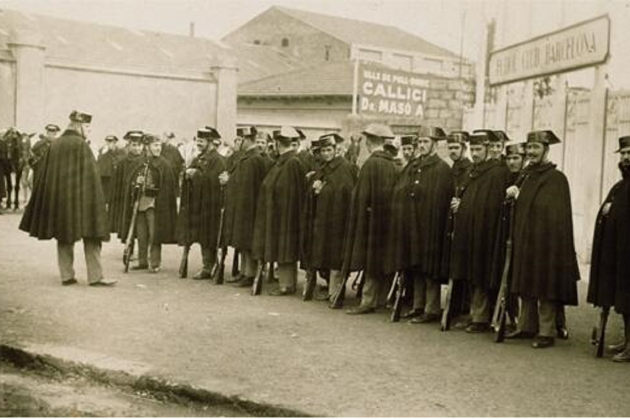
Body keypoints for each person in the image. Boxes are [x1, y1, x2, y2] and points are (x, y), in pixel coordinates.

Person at [19, 110, 114, 286]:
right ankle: (96, 277)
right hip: (83, 200)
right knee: (92, 235)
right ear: (78, 126)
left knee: (64, 234)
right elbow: (91, 177)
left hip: (62, 202)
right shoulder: (82, 146)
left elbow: (45, 174)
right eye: (87, 126)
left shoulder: (55, 145)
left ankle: (66, 276)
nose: (89, 130)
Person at [507, 130, 580, 349]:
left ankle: (546, 331)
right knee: (525, 282)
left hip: (547, 242)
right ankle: (526, 326)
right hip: (525, 239)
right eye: (529, 148)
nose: (531, 152)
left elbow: (553, 211)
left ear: (546, 150)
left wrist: (523, 198)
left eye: (536, 148)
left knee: (545, 284)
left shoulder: (556, 178)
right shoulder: (526, 175)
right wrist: (513, 195)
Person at [386, 126, 454, 323]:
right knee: (415, 267)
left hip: (431, 226)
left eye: (426, 142)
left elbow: (441, 200)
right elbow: (401, 189)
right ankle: (417, 305)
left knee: (429, 269)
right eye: (420, 142)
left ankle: (431, 309)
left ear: (434, 144)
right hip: (412, 224)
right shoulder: (414, 165)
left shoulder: (442, 169)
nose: (422, 146)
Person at [449, 130, 508, 332]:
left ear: (487, 149)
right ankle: (474, 313)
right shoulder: (474, 171)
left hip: (485, 232)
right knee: (471, 273)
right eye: (472, 149)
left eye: (478, 149)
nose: (474, 153)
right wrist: (460, 204)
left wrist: (465, 207)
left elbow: (490, 205)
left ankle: (481, 317)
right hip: (469, 230)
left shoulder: (496, 172)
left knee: (481, 274)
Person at [342, 124, 398, 314]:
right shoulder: (391, 163)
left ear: (369, 141)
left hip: (370, 220)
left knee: (369, 259)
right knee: (381, 259)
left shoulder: (371, 164)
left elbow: (361, 194)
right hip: (387, 221)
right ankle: (381, 299)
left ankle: (367, 301)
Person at [588, 135, 630, 362]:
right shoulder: (620, 186)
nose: (625, 158)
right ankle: (628, 341)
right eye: (623, 154)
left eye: (629, 154)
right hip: (620, 253)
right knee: (624, 300)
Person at [301, 133, 356, 302]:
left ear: (335, 150)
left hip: (337, 222)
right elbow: (315, 190)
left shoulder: (344, 168)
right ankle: (329, 288)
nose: (325, 153)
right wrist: (314, 189)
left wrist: (322, 191)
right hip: (322, 221)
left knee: (334, 256)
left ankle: (335, 292)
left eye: (328, 150)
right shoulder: (322, 168)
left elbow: (344, 193)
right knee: (323, 254)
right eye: (323, 150)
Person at [252, 126, 306, 295]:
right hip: (280, 213)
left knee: (286, 248)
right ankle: (286, 283)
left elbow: (291, 193)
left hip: (285, 215)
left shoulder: (291, 163)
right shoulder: (285, 161)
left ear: (278, 143)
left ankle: (287, 284)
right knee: (283, 248)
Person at [221, 126, 270, 287]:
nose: (238, 142)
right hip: (243, 206)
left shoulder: (253, 159)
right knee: (242, 242)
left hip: (249, 208)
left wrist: (229, 181)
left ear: (247, 140)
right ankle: (244, 272)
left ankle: (250, 274)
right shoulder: (247, 158)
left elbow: (248, 186)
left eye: (240, 139)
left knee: (247, 242)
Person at [122, 134, 178, 273]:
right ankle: (142, 262)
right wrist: (136, 182)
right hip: (140, 203)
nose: (158, 148)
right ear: (147, 147)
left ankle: (154, 262)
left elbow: (169, 186)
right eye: (155, 145)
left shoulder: (164, 164)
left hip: (155, 205)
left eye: (159, 145)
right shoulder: (139, 162)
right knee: (141, 234)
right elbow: (130, 181)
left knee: (154, 234)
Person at [177, 127, 226, 280]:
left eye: (202, 141)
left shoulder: (217, 160)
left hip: (210, 206)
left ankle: (209, 267)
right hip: (198, 205)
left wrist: (196, 175)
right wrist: (187, 174)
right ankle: (207, 265)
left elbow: (213, 181)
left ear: (210, 142)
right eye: (198, 140)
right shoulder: (199, 157)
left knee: (209, 237)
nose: (199, 143)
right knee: (201, 235)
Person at [108, 131, 145, 238]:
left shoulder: (146, 161)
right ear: (129, 145)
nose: (137, 148)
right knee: (127, 220)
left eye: (139, 145)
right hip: (126, 198)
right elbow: (116, 184)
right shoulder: (122, 163)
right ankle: (129, 243)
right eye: (134, 145)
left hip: (141, 197)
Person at [96, 135, 125, 207]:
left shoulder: (120, 151)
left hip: (114, 176)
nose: (109, 143)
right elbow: (99, 162)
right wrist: (103, 153)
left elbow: (120, 161)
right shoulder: (103, 151)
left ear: (115, 142)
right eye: (108, 141)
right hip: (104, 176)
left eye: (111, 141)